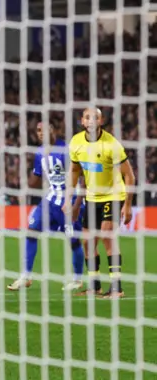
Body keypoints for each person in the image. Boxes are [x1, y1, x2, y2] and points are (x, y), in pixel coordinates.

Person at [64, 108, 135, 299]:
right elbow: (74, 171)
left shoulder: (112, 145)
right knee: (88, 242)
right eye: (88, 117)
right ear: (82, 121)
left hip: (113, 195)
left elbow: (129, 176)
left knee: (106, 235)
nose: (91, 120)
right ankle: (94, 286)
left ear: (101, 121)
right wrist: (68, 199)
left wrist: (127, 206)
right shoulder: (76, 142)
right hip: (92, 197)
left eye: (95, 117)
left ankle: (116, 288)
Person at [8, 122, 86, 291]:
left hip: (69, 201)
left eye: (45, 129)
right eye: (38, 130)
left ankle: (78, 279)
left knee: (74, 241)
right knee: (31, 231)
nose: (41, 133)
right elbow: (37, 177)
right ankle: (26, 276)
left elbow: (82, 178)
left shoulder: (66, 150)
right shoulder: (40, 153)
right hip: (50, 200)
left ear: (53, 130)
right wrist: (25, 191)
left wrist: (78, 205)